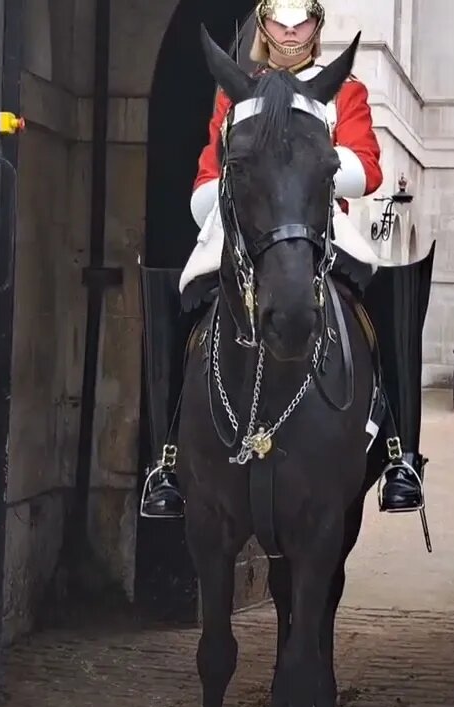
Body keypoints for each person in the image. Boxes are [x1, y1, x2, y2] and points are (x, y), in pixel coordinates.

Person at [138, 0, 432, 520]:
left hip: (318, 221)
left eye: (302, 23)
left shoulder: (343, 90)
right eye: (279, 21)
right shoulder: (237, 92)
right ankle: (165, 457)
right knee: (180, 290)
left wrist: (303, 165)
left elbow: (366, 169)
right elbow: (207, 179)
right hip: (244, 223)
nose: (291, 32)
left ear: (317, 27)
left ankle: (398, 453)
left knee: (383, 289)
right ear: (265, 28)